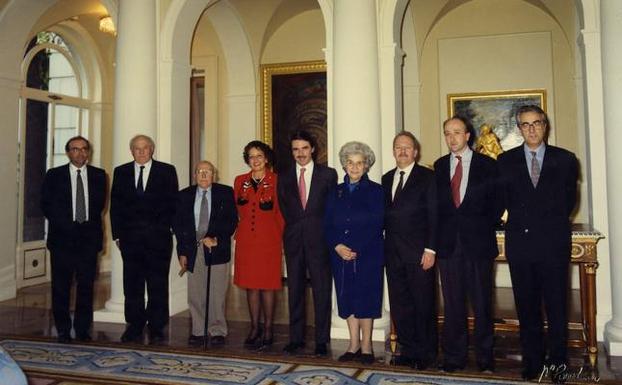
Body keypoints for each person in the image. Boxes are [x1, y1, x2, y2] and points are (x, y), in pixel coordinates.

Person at [497, 105, 578, 382]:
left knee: (557, 308)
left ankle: (557, 363)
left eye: (537, 123)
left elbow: (570, 202)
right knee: (526, 307)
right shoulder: (505, 161)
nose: (531, 129)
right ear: (518, 128)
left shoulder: (565, 159)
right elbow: (502, 201)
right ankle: (532, 361)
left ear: (545, 125)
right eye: (525, 124)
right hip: (521, 246)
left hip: (553, 245)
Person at [433, 116, 502, 373]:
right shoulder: (439, 166)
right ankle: (454, 357)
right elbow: (437, 207)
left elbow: (498, 202)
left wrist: (481, 224)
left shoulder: (487, 165)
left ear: (468, 135)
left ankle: (485, 359)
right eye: (447, 133)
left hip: (478, 244)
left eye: (457, 132)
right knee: (452, 303)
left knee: (482, 303)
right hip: (448, 245)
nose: (452, 138)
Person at [110, 134, 179, 345]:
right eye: (137, 148)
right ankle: (134, 324)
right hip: (130, 240)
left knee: (157, 283)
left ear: (152, 149)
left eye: (145, 148)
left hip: (158, 239)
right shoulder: (120, 172)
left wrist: (164, 229)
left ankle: (157, 326)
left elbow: (173, 205)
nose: (141, 152)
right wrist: (118, 235)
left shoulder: (167, 171)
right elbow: (115, 206)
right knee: (132, 284)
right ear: (131, 151)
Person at [277, 130, 338, 357]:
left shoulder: (328, 175)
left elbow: (332, 209)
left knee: (322, 290)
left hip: (320, 239)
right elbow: (285, 208)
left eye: (304, 148)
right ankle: (296, 338)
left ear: (312, 148)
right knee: (294, 289)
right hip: (293, 239)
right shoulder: (283, 177)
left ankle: (321, 340)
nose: (300, 153)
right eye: (295, 149)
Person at [41, 136, 106, 343]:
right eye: (75, 149)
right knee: (61, 287)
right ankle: (62, 329)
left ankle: (82, 329)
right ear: (68, 152)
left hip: (88, 240)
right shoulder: (54, 175)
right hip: (62, 240)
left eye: (84, 149)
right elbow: (46, 205)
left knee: (86, 287)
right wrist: (69, 226)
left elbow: (99, 208)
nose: (80, 153)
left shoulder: (99, 175)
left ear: (89, 152)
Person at [324, 142, 384, 364]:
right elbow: (327, 223)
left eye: (360, 163)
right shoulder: (335, 192)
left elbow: (377, 223)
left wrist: (356, 248)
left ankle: (367, 346)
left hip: (368, 254)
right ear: (344, 165)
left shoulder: (377, 191)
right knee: (346, 296)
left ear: (367, 165)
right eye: (350, 162)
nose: (355, 167)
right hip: (340, 255)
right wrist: (337, 246)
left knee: (366, 298)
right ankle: (353, 345)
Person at [382, 131, 438, 370]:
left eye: (407, 147)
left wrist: (431, 249)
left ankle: (426, 354)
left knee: (423, 303)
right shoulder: (385, 179)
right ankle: (407, 349)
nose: (402, 151)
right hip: (392, 253)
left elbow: (435, 216)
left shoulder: (428, 177)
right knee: (400, 303)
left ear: (415, 152)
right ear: (393, 151)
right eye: (398, 147)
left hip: (419, 253)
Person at [173, 161, 238, 346]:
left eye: (207, 172)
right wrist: (182, 252)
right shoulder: (184, 195)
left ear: (214, 175)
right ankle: (198, 330)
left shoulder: (225, 193)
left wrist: (215, 237)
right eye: (200, 172)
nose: (203, 175)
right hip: (193, 249)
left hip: (216, 247)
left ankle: (217, 330)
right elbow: (179, 225)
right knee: (195, 292)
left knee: (217, 292)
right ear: (195, 175)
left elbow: (232, 221)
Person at [233, 141, 284, 349]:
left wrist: (279, 237)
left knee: (268, 286)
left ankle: (269, 328)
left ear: (266, 158)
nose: (255, 160)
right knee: (251, 286)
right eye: (251, 156)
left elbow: (281, 213)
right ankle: (254, 327)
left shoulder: (277, 181)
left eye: (259, 156)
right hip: (246, 241)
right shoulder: (239, 181)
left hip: (269, 241)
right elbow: (237, 210)